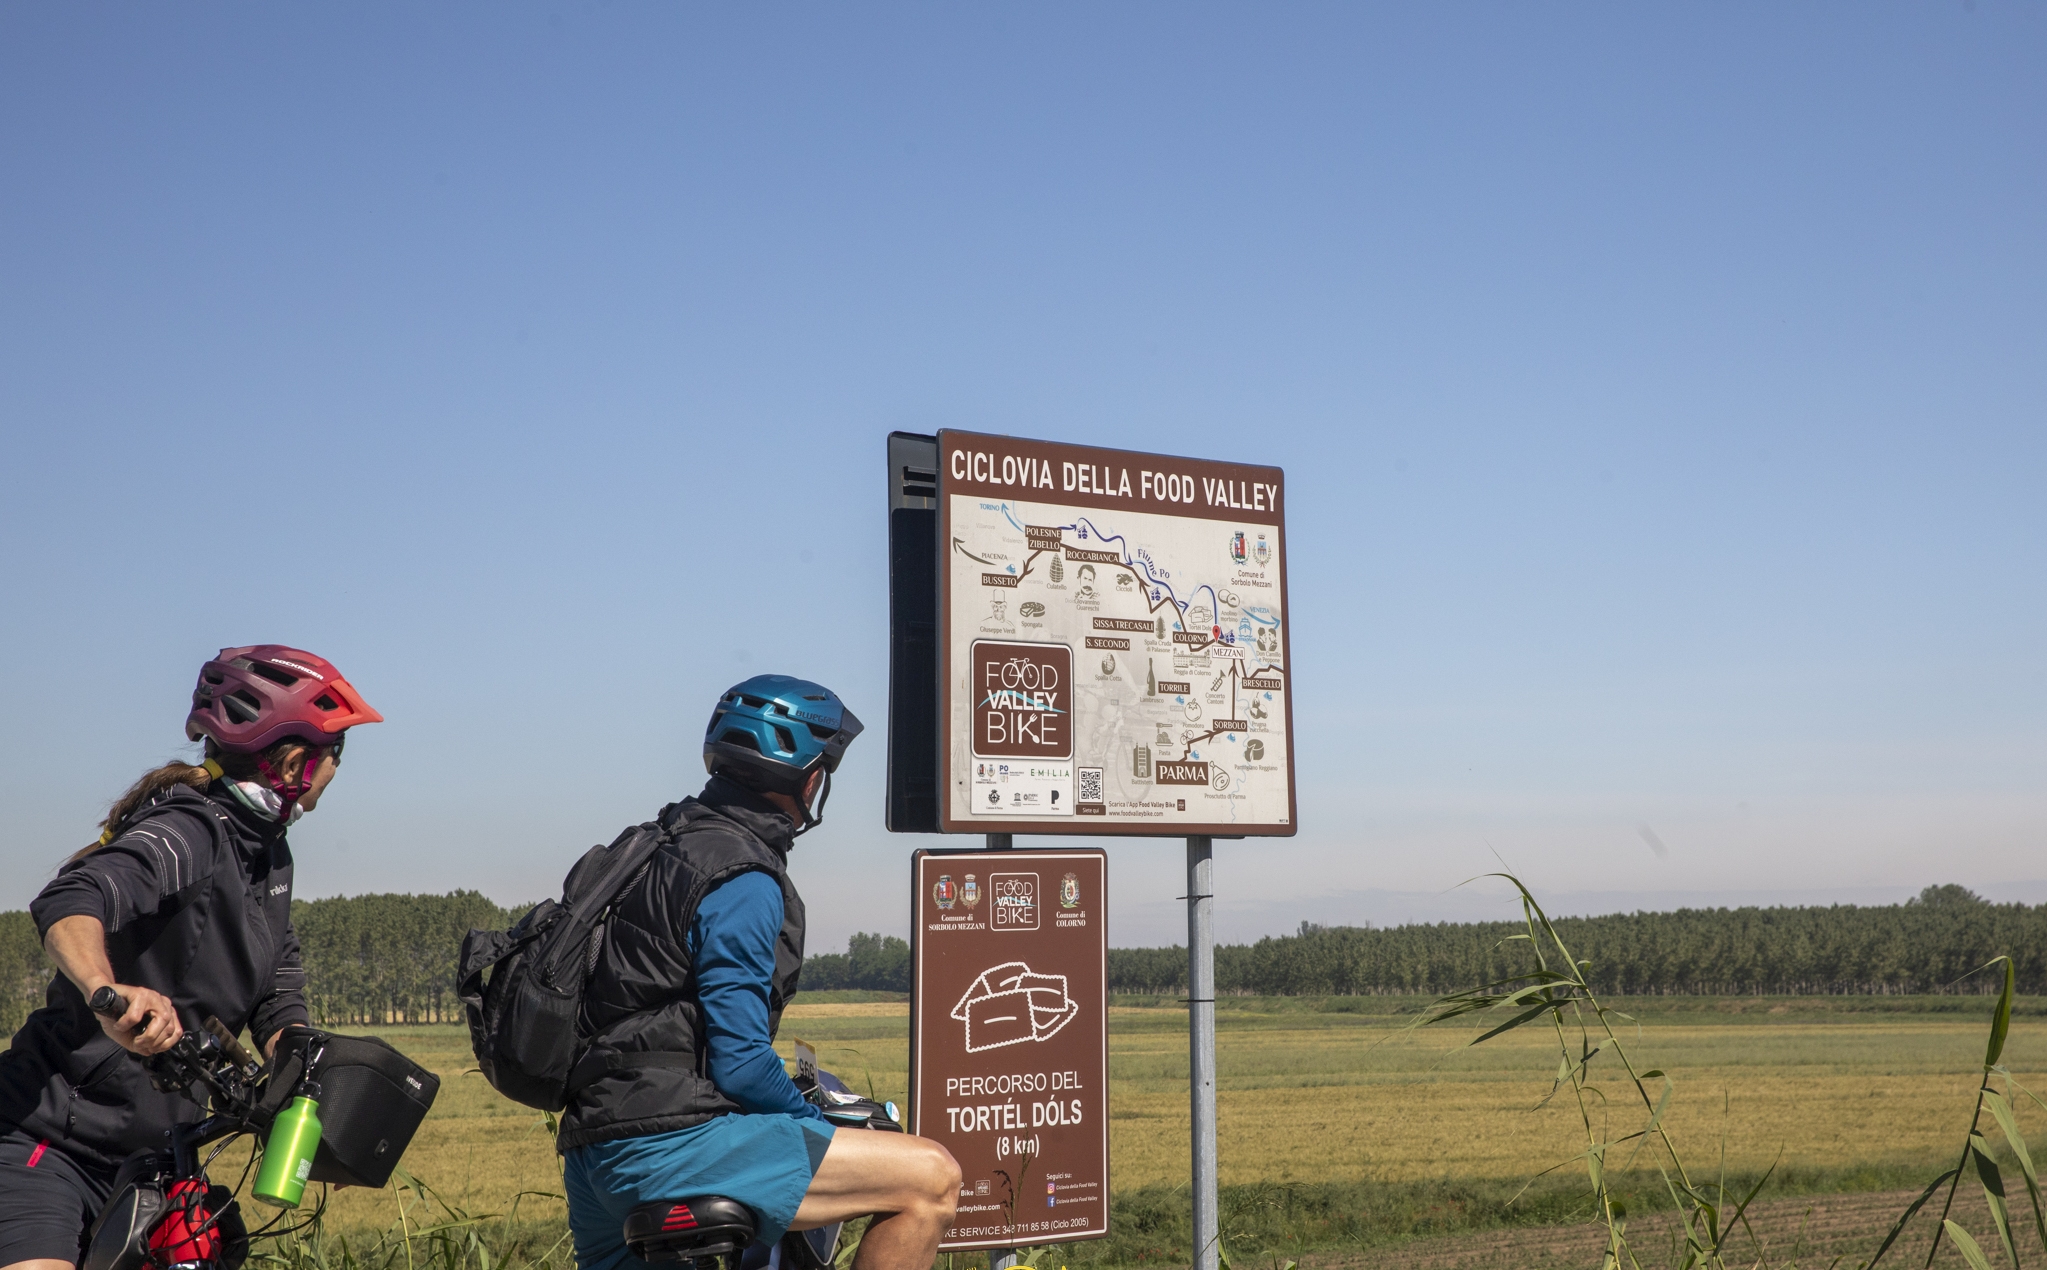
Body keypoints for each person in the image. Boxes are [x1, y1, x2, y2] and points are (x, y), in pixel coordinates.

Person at [0, 645, 383, 1270]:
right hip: (50, 1145)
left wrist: (320, 1115)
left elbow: (277, 1001)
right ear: (296, 758)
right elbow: (71, 898)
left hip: (154, 1166)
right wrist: (107, 993)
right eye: (338, 751)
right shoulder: (192, 830)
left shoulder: (270, 859)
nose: (338, 769)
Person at [561, 675, 960, 1270]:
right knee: (932, 1178)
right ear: (807, 776)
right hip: (671, 1147)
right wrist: (818, 1121)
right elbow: (742, 1063)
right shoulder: (742, 877)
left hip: (592, 1155)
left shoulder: (650, 849)